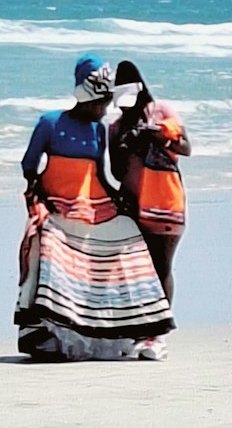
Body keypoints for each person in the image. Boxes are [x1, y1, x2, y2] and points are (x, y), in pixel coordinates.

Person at [15, 55, 174, 361]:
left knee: (129, 238)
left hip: (94, 203)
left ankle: (140, 331)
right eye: (101, 103)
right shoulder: (49, 123)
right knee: (47, 241)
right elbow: (29, 166)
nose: (104, 109)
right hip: (57, 203)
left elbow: (99, 175)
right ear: (87, 99)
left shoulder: (98, 130)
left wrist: (120, 201)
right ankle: (51, 333)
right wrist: (38, 199)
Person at [108, 59, 190, 308]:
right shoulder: (116, 127)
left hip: (164, 205)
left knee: (161, 266)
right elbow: (116, 172)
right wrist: (126, 146)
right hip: (131, 206)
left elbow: (185, 148)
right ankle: (137, 322)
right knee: (129, 270)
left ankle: (159, 327)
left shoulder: (161, 111)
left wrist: (159, 136)